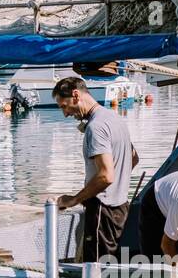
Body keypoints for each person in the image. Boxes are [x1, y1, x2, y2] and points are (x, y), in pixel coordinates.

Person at [52, 75, 138, 263]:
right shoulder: (114, 118)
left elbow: (106, 176)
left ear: (76, 95)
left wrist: (73, 200)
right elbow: (134, 158)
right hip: (120, 206)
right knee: (108, 264)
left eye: (64, 106)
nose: (65, 113)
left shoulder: (96, 127)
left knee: (96, 268)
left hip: (103, 208)